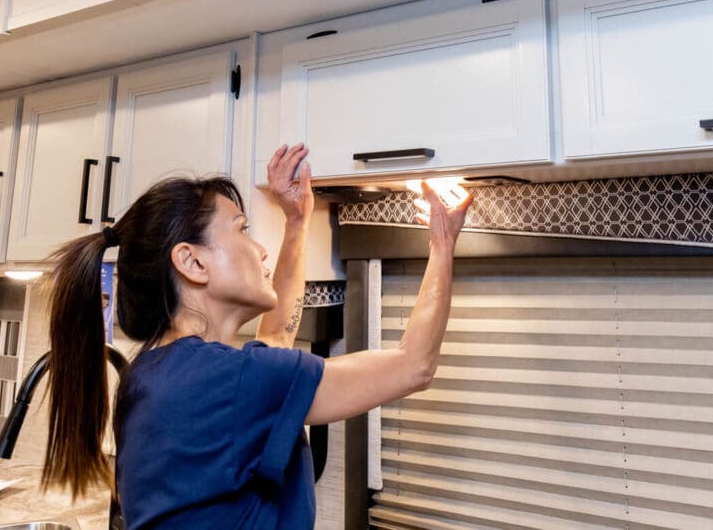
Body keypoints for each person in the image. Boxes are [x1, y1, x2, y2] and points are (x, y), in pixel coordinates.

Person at [40, 143, 473, 529]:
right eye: (242, 229)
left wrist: (299, 220)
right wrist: (441, 241)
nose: (259, 248)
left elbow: (276, 341)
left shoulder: (161, 371)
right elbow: (413, 366)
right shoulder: (225, 379)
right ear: (192, 262)